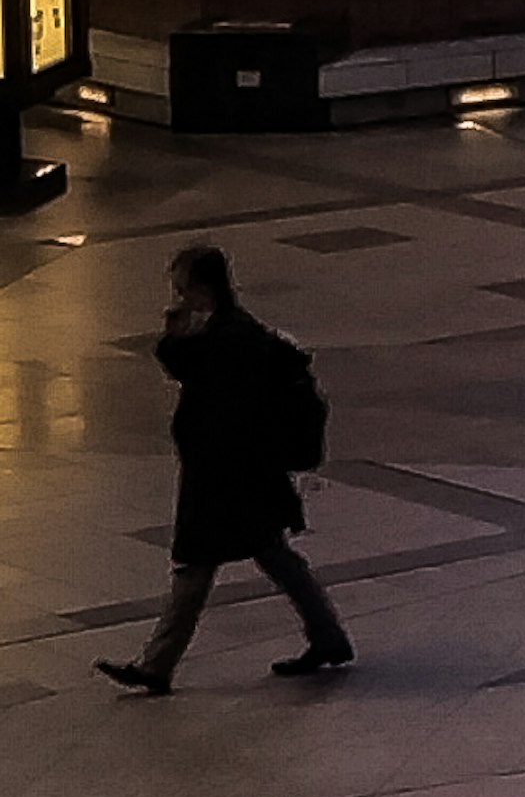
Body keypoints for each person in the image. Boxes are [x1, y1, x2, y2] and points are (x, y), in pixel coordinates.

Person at [99, 243, 352, 690]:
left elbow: (202, 383)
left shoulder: (229, 339)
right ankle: (327, 637)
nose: (178, 298)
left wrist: (177, 338)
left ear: (203, 287)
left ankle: (157, 666)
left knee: (199, 566)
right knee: (267, 558)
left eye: (183, 289)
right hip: (240, 477)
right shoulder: (228, 332)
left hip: (228, 479)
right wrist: (180, 336)